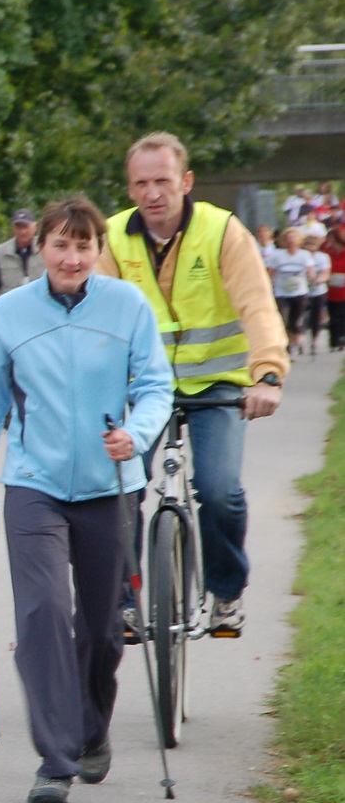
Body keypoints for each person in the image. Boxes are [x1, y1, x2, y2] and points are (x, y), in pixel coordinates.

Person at [0, 196, 173, 803]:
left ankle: (89, 729)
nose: (73, 256)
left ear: (97, 250)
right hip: (34, 484)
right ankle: (54, 761)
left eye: (84, 245)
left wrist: (134, 436)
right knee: (43, 613)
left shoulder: (128, 306)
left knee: (104, 629)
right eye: (61, 244)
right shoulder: (9, 313)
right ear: (42, 249)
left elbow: (157, 386)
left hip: (111, 487)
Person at [96, 132, 288, 637]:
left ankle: (225, 594)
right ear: (130, 188)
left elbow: (257, 307)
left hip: (217, 388)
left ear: (185, 182)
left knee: (219, 490)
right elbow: (93, 320)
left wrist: (267, 374)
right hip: (142, 391)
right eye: (141, 183)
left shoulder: (223, 232)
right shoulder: (112, 238)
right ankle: (124, 602)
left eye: (162, 180)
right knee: (115, 487)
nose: (152, 193)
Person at [0, 208, 46, 313]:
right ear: (12, 229)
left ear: (35, 226)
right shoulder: (0, 252)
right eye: (18, 227)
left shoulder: (45, 248)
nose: (22, 231)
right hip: (10, 312)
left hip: (40, 310)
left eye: (26, 226)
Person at [268, 227, 314, 354]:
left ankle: (294, 342)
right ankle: (286, 344)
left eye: (294, 238)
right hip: (281, 292)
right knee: (282, 318)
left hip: (299, 291)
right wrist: (269, 285)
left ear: (299, 240)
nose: (291, 241)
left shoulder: (304, 255)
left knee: (296, 319)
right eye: (288, 238)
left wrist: (312, 277)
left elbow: (310, 271)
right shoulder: (278, 256)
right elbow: (271, 273)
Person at [302, 234, 331, 355]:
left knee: (316, 316)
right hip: (303, 290)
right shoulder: (302, 256)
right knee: (301, 316)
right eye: (308, 244)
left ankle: (315, 339)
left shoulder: (323, 257)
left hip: (318, 289)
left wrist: (320, 279)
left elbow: (326, 272)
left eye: (312, 244)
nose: (310, 247)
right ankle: (300, 339)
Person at [325, 221, 345, 352]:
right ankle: (333, 339)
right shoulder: (327, 253)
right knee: (332, 315)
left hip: (343, 287)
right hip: (331, 288)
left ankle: (341, 338)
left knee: (342, 314)